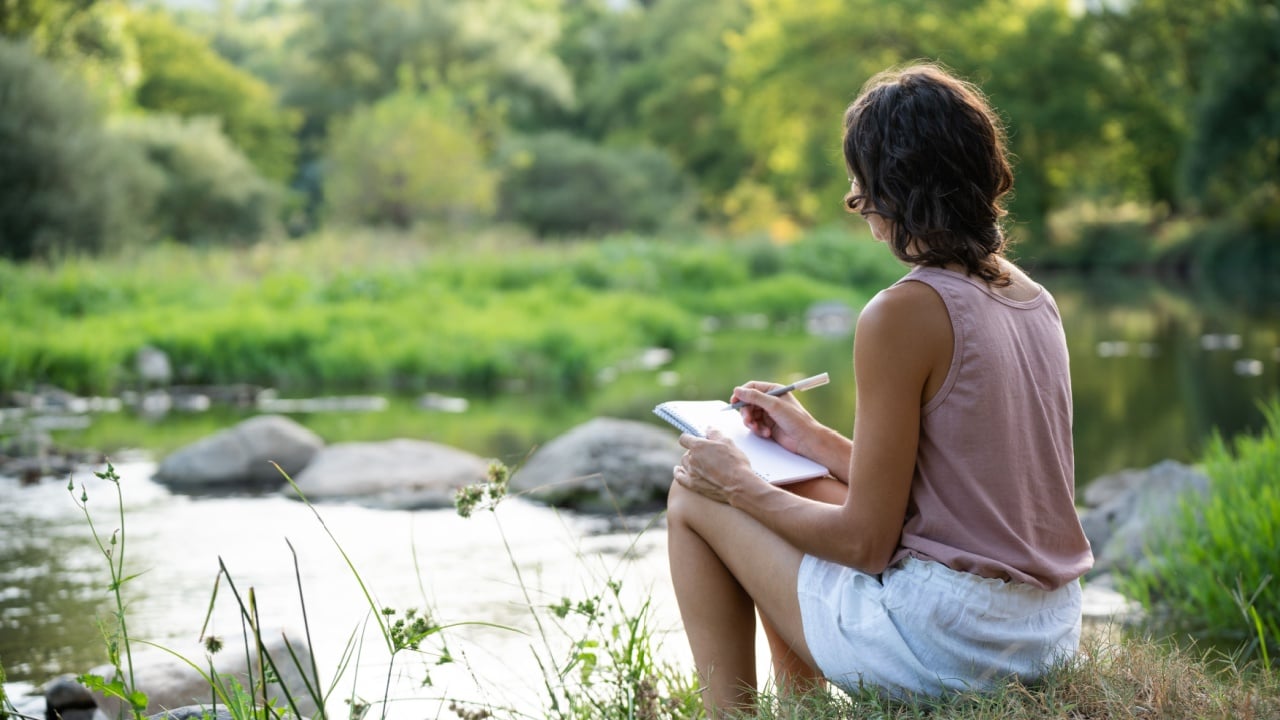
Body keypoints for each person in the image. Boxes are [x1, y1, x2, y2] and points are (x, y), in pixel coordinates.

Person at [666, 62, 1094, 717]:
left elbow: (866, 542)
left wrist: (738, 485)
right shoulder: (1035, 299)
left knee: (694, 490)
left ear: (890, 188)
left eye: (860, 179)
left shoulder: (901, 312)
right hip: (1047, 632)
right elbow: (955, 488)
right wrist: (807, 438)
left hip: (953, 643)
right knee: (791, 485)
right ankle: (802, 710)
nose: (856, 197)